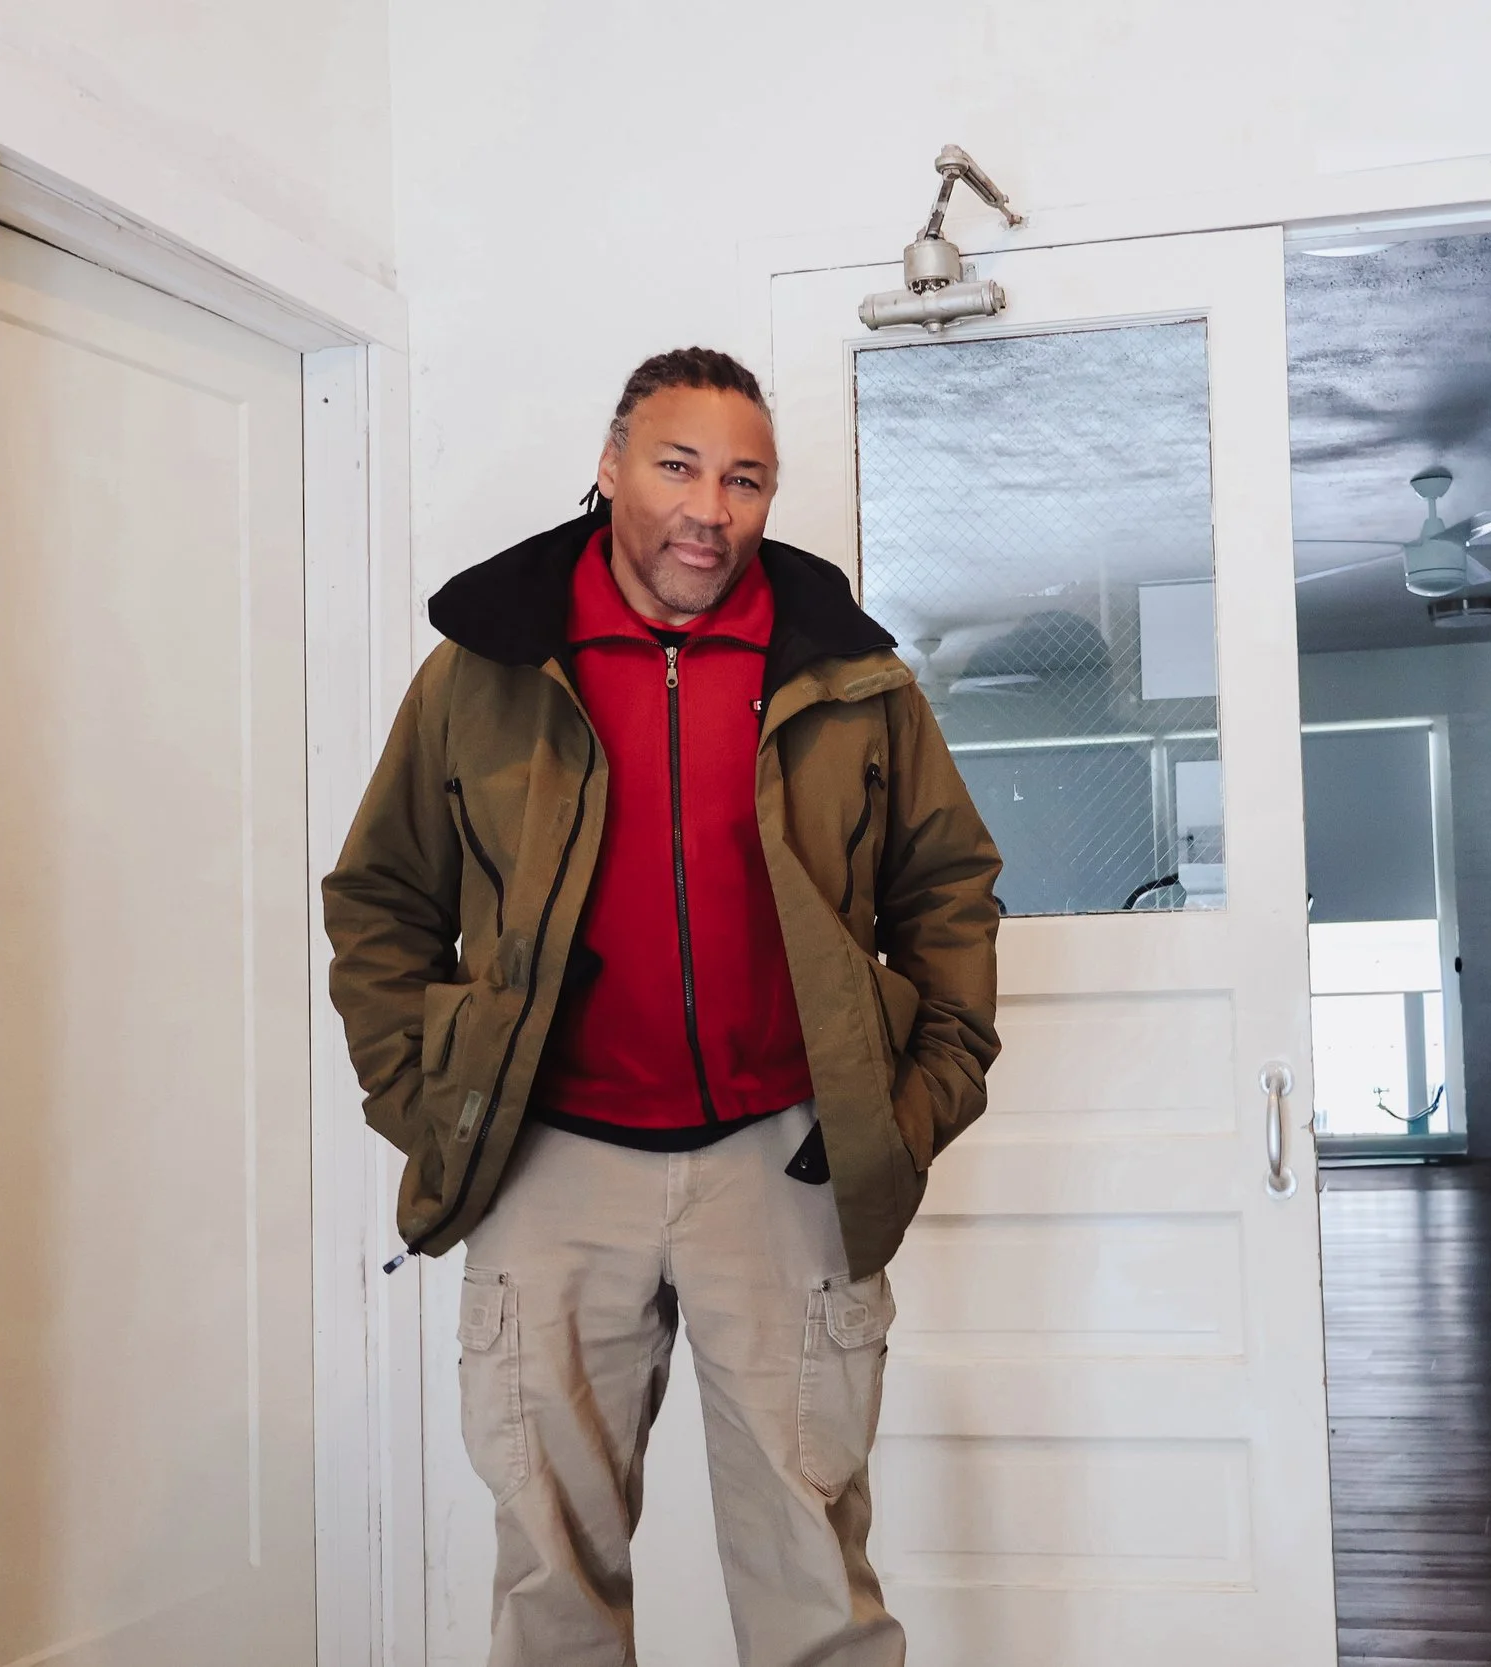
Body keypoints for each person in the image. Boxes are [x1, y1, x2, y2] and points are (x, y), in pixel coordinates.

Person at [322, 347, 1002, 1667]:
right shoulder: (482, 673)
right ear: (610, 466)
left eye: (746, 478)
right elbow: (381, 894)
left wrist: (911, 1105)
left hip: (784, 1160)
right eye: (677, 465)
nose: (711, 507)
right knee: (552, 1583)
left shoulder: (852, 676)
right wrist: (438, 1102)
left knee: (815, 1570)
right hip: (553, 1160)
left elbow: (950, 889)